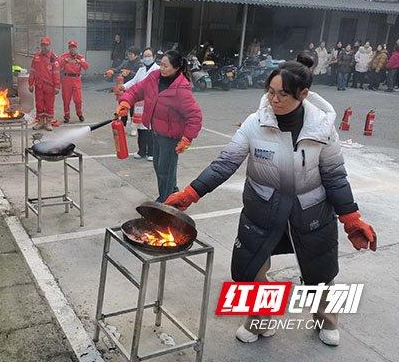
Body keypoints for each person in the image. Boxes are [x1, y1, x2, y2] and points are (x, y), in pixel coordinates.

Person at [165, 60, 376, 347]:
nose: (273, 99)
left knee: (320, 271)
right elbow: (225, 163)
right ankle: (260, 321)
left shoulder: (323, 128)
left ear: (302, 94)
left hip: (310, 211)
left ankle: (326, 320)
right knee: (251, 270)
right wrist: (192, 193)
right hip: (262, 210)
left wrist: (350, 217)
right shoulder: (256, 123)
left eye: (282, 94)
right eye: (270, 91)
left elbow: (335, 176)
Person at [115, 50, 203, 202]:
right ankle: (173, 193)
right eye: (161, 64)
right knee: (159, 166)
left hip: (171, 138)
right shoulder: (154, 77)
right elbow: (137, 90)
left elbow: (195, 116)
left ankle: (165, 202)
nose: (161, 68)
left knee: (165, 171)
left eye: (165, 66)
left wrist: (187, 138)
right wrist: (125, 102)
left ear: (176, 68)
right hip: (155, 132)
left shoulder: (181, 90)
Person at [122, 47, 161, 161]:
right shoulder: (141, 70)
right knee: (140, 126)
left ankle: (151, 152)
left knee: (149, 127)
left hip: (152, 102)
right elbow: (134, 82)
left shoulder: (157, 70)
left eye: (149, 55)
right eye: (145, 56)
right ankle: (142, 150)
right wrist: (123, 87)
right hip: (139, 103)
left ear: (154, 57)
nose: (146, 58)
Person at [29, 37, 60, 131]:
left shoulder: (53, 58)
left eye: (46, 45)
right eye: (43, 45)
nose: (45, 47)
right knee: (39, 104)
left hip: (49, 86)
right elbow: (32, 71)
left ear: (49, 45)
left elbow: (56, 73)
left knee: (49, 105)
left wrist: (57, 86)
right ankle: (40, 122)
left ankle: (48, 123)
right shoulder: (36, 57)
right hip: (39, 85)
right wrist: (30, 83)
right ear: (41, 46)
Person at [59, 40, 89, 123]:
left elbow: (86, 67)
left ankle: (79, 114)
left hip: (76, 79)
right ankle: (67, 116)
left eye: (74, 47)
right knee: (66, 99)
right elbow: (58, 65)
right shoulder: (64, 56)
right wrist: (65, 61)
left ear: (76, 48)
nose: (72, 49)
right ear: (69, 48)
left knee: (78, 99)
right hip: (66, 79)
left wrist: (79, 62)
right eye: (71, 47)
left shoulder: (80, 57)